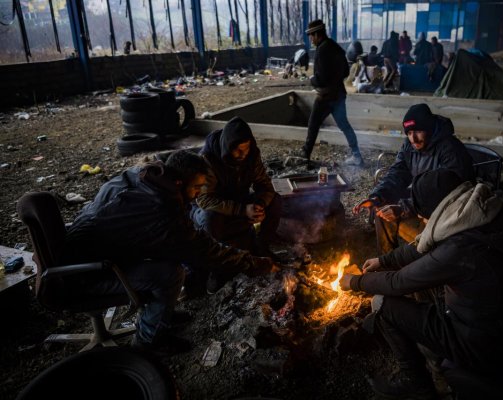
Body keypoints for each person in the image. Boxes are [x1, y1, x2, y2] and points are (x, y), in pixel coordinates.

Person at [63, 150, 274, 356]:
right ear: (180, 183)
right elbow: (205, 251)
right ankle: (147, 342)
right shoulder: (161, 209)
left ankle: (160, 313)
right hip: (89, 272)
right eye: (197, 187)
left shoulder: (145, 176)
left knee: (167, 255)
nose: (199, 193)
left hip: (88, 250)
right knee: (171, 274)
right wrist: (256, 264)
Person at [341, 168, 503, 399]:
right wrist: (383, 260)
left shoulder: (459, 248)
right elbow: (423, 247)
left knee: (381, 303)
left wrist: (355, 282)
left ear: (436, 209)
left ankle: (416, 383)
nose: (419, 218)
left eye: (421, 212)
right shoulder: (480, 213)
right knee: (425, 282)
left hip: (478, 346)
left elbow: (397, 282)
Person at [352, 103, 474, 254]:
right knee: (382, 207)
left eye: (417, 131)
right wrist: (377, 196)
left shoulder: (450, 148)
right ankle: (387, 262)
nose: (413, 139)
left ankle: (418, 266)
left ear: (429, 128)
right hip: (421, 201)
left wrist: (404, 208)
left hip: (446, 210)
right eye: (409, 133)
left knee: (418, 230)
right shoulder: (409, 146)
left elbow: (448, 193)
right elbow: (397, 173)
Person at [191, 116, 282, 259]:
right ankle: (217, 256)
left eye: (246, 149)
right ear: (228, 147)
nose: (243, 154)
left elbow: (265, 186)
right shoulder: (208, 158)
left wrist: (259, 205)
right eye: (238, 150)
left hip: (239, 201)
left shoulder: (251, 155)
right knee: (210, 218)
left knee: (275, 200)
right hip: (215, 207)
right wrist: (241, 210)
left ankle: (261, 246)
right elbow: (204, 199)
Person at [292, 19, 364, 167]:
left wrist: (312, 80)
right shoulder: (335, 47)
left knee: (313, 124)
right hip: (339, 95)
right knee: (344, 125)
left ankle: (305, 155)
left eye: (311, 35)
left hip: (326, 96)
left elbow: (321, 79)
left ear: (318, 34)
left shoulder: (321, 50)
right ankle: (357, 156)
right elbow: (345, 72)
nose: (310, 39)